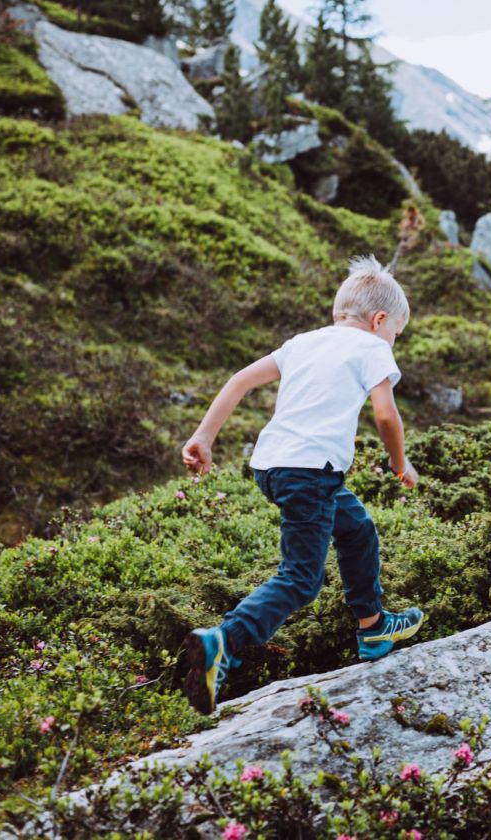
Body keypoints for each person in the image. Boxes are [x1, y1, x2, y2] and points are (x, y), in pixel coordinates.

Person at [176, 256, 424, 715]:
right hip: (311, 472)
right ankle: (221, 644)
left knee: (356, 529)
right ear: (380, 320)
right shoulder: (372, 348)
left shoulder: (303, 343)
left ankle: (372, 626)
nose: (393, 344)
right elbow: (386, 415)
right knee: (301, 579)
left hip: (275, 467)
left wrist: (203, 436)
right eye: (396, 335)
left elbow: (239, 381)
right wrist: (399, 461)